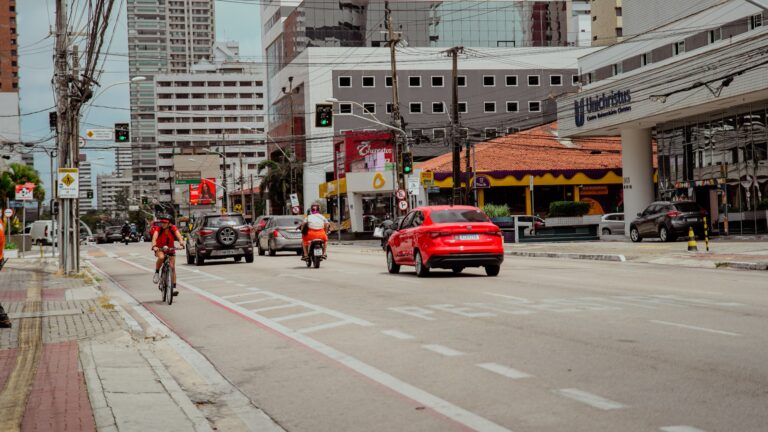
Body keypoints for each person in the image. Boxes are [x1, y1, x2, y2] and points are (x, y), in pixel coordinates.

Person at [151, 216, 185, 296]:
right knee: (161, 257)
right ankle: (157, 272)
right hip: (160, 249)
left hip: (170, 249)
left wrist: (181, 242)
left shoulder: (173, 228)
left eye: (165, 223)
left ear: (169, 224)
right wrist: (154, 246)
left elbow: (179, 236)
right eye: (162, 222)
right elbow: (154, 238)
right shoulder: (158, 229)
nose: (163, 224)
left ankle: (174, 287)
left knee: (172, 267)